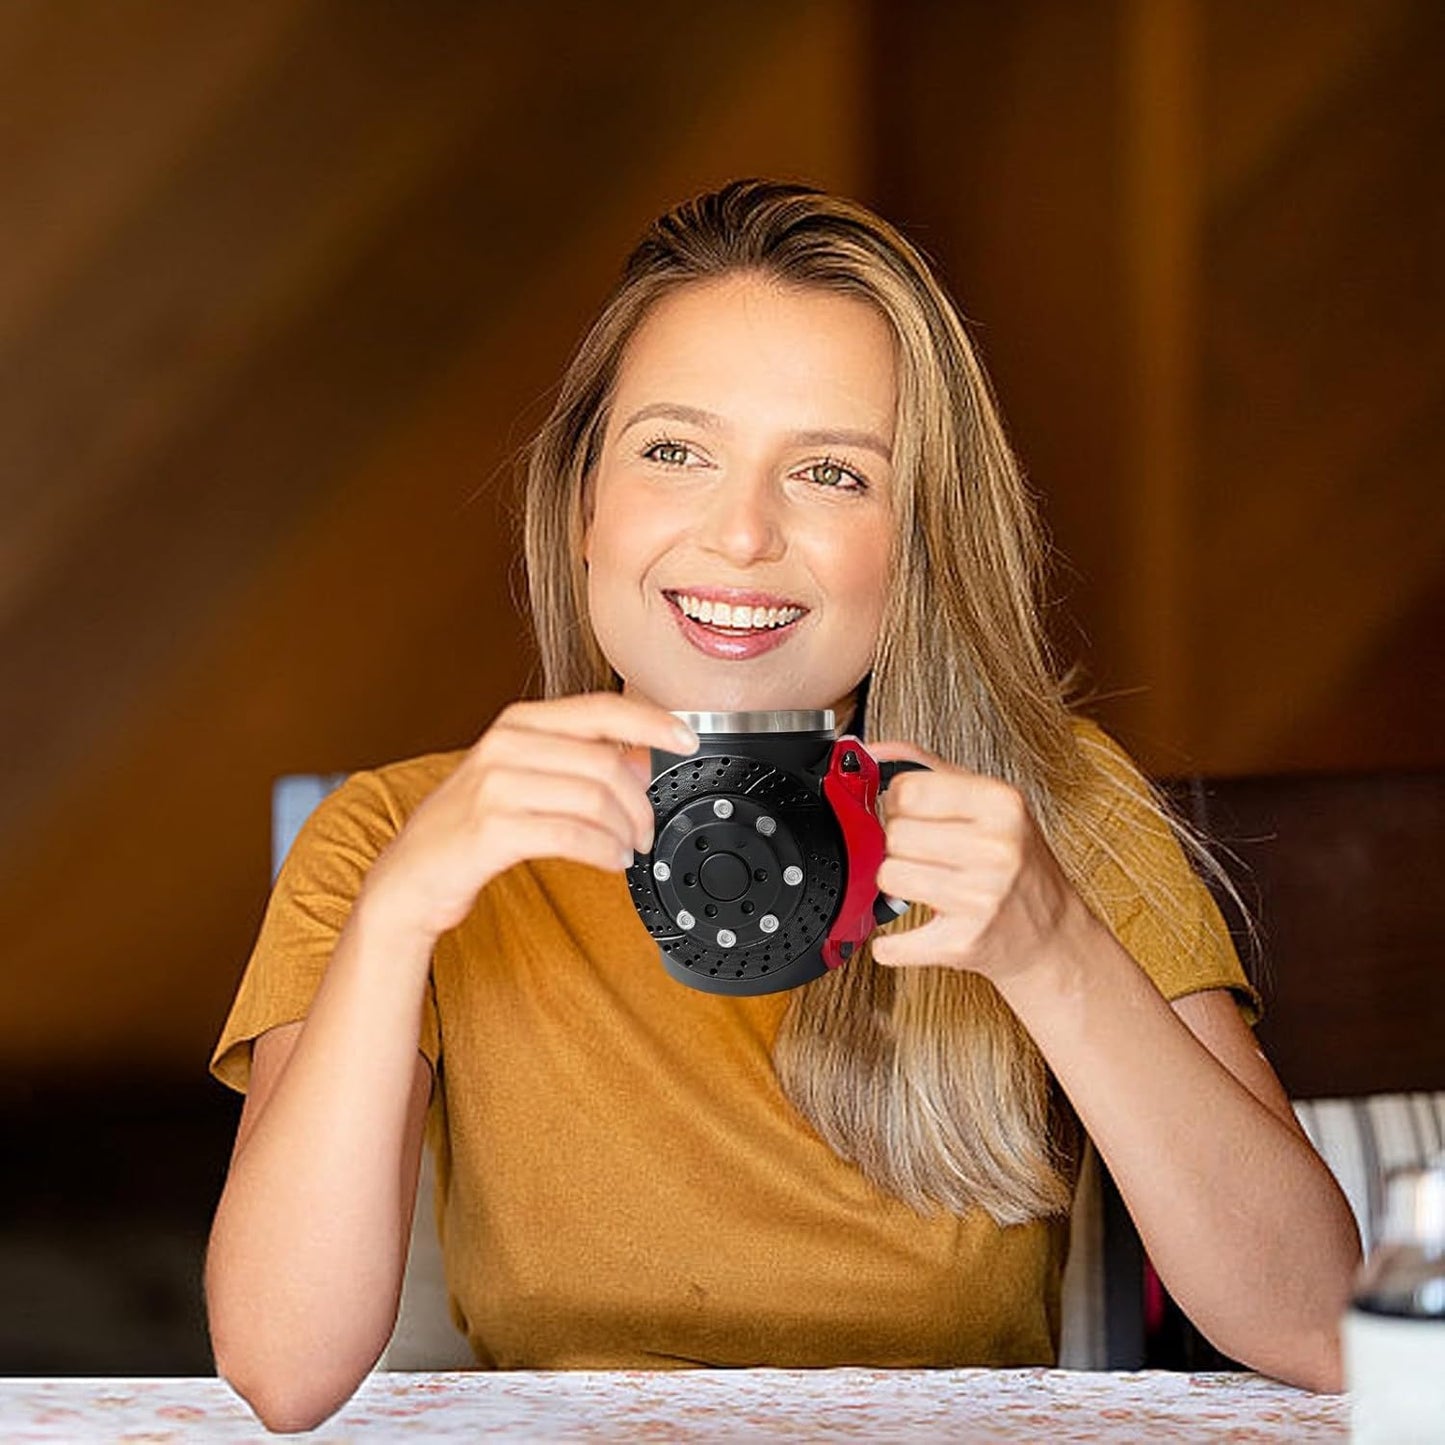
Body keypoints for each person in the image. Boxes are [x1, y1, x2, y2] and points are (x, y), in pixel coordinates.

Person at [204, 179, 1360, 1431]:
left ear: (916, 536)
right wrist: (395, 923)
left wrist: (1056, 949)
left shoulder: (1041, 811)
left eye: (828, 472)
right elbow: (282, 1365)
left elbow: (1315, 1323)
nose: (743, 532)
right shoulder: (392, 836)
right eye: (674, 451)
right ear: (583, 499)